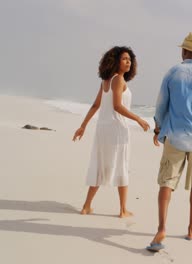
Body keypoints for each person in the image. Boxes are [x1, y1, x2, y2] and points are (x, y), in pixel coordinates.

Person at [146, 33, 192, 252]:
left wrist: (158, 128)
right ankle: (191, 229)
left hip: (174, 135)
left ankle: (161, 229)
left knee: (166, 182)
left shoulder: (172, 73)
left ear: (183, 51)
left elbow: (161, 105)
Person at [73, 46, 150, 218]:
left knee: (100, 166)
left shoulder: (106, 80)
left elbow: (96, 105)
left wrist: (83, 126)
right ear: (115, 61)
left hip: (103, 129)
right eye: (124, 59)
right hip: (117, 129)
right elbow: (117, 106)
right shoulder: (118, 80)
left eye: (130, 59)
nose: (128, 62)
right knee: (122, 165)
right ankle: (123, 210)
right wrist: (138, 119)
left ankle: (86, 206)